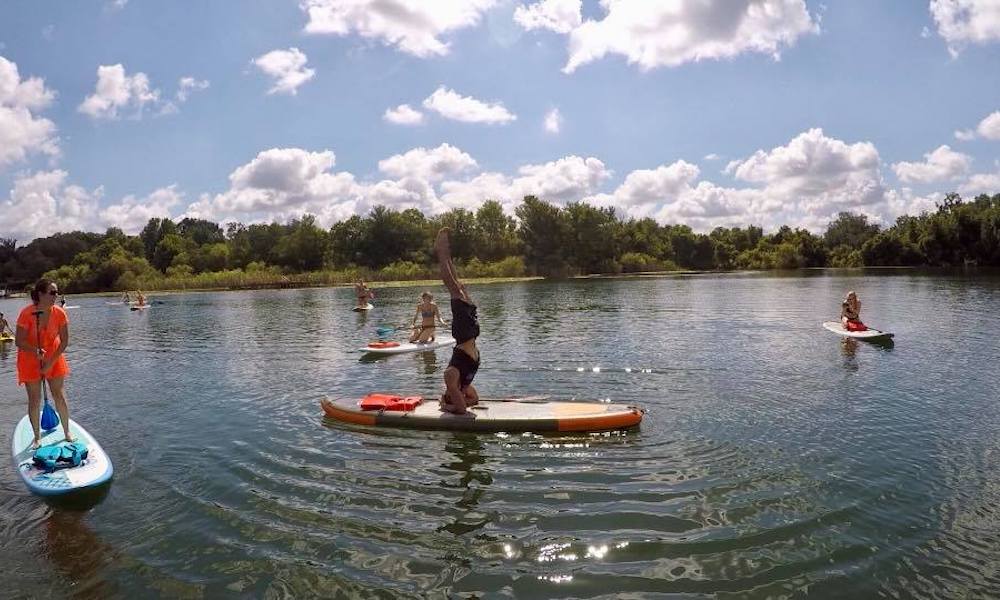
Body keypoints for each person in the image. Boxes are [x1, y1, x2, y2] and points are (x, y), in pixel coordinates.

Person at [15, 278, 73, 448]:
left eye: (56, 292)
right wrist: (35, 351)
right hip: (29, 356)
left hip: (54, 355)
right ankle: (37, 437)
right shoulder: (26, 314)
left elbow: (64, 341)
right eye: (52, 292)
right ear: (40, 294)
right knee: (34, 398)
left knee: (59, 394)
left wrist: (50, 362)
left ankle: (67, 431)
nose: (56, 296)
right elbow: (19, 341)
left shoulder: (60, 313)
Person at [435, 228, 480, 416]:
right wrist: (455, 404)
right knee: (457, 288)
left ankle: (443, 253)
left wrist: (447, 407)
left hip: (466, 336)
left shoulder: (450, 377)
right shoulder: (462, 385)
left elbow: (462, 407)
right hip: (469, 337)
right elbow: (472, 401)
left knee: (454, 287)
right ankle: (444, 253)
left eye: (454, 394)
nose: (461, 394)